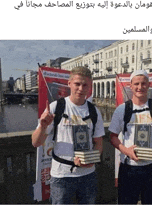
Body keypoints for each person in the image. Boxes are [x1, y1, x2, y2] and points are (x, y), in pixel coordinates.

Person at [32, 66, 105, 204]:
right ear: (69, 83)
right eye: (77, 84)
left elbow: (99, 143)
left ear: (90, 87)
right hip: (61, 176)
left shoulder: (94, 111)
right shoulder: (56, 107)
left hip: (88, 176)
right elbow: (35, 143)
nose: (81, 88)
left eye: (85, 85)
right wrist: (42, 126)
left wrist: (92, 159)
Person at [109, 70, 152, 205]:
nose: (140, 87)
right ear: (130, 86)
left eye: (143, 84)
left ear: (149, 85)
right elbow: (112, 137)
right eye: (136, 84)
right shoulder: (121, 109)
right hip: (129, 168)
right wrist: (126, 150)